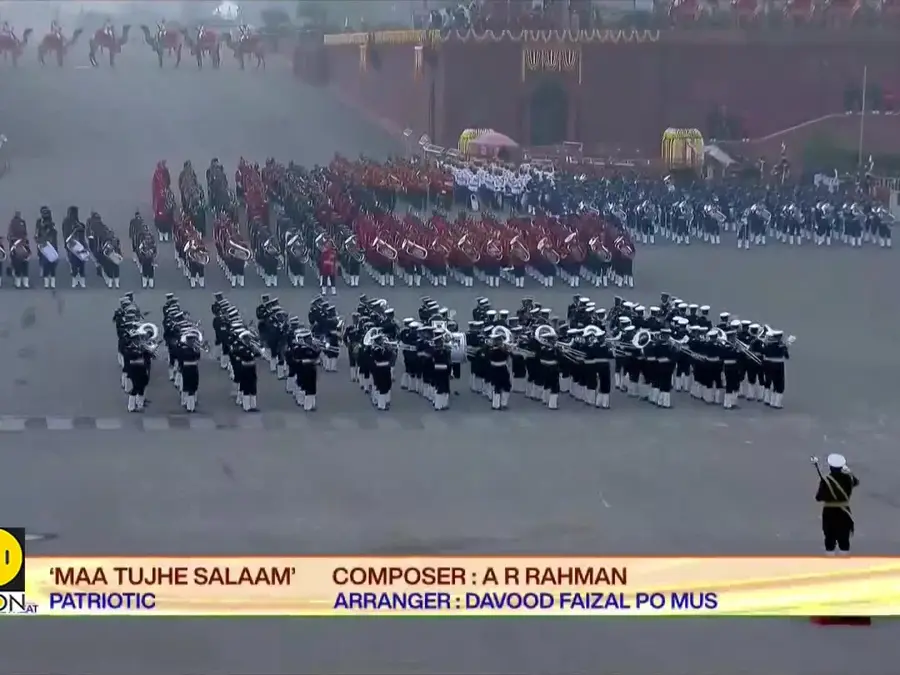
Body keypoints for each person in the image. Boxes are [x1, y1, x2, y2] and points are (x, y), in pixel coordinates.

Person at [815, 454, 859, 555]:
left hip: (829, 512)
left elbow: (818, 497)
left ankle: (830, 561)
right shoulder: (848, 479)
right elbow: (856, 482)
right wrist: (850, 472)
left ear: (830, 467)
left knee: (829, 538)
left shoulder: (826, 480)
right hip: (844, 511)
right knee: (844, 539)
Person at [35, 206, 58, 289]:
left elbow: (54, 234)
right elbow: (37, 234)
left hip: (51, 245)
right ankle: (47, 282)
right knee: (45, 263)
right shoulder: (39, 223)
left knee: (51, 264)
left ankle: (51, 283)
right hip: (43, 245)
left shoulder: (52, 224)